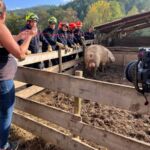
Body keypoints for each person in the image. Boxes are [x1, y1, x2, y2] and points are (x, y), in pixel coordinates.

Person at [0, 1, 36, 150]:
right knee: (5, 114)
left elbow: (4, 42)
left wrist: (19, 36)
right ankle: (3, 146)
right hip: (3, 81)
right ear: (3, 14)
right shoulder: (0, 27)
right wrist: (29, 37)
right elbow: (21, 54)